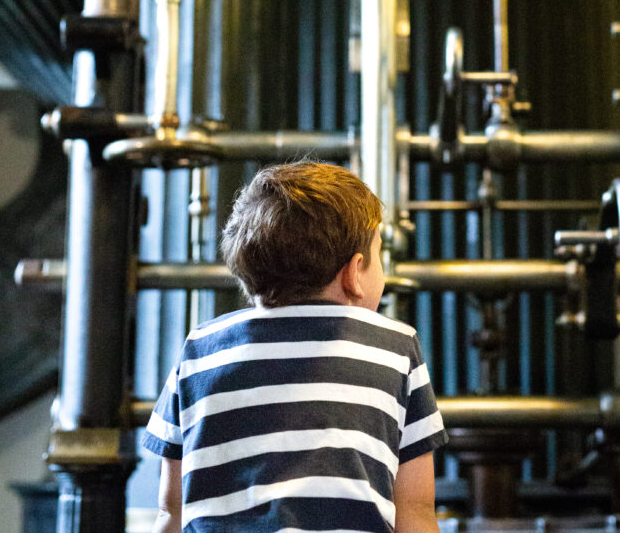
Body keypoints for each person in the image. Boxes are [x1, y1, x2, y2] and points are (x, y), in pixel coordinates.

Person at [143, 160, 448, 533]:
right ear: (354, 273)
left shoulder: (201, 348)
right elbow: (415, 512)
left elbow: (172, 511)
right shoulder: (397, 348)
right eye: (380, 254)